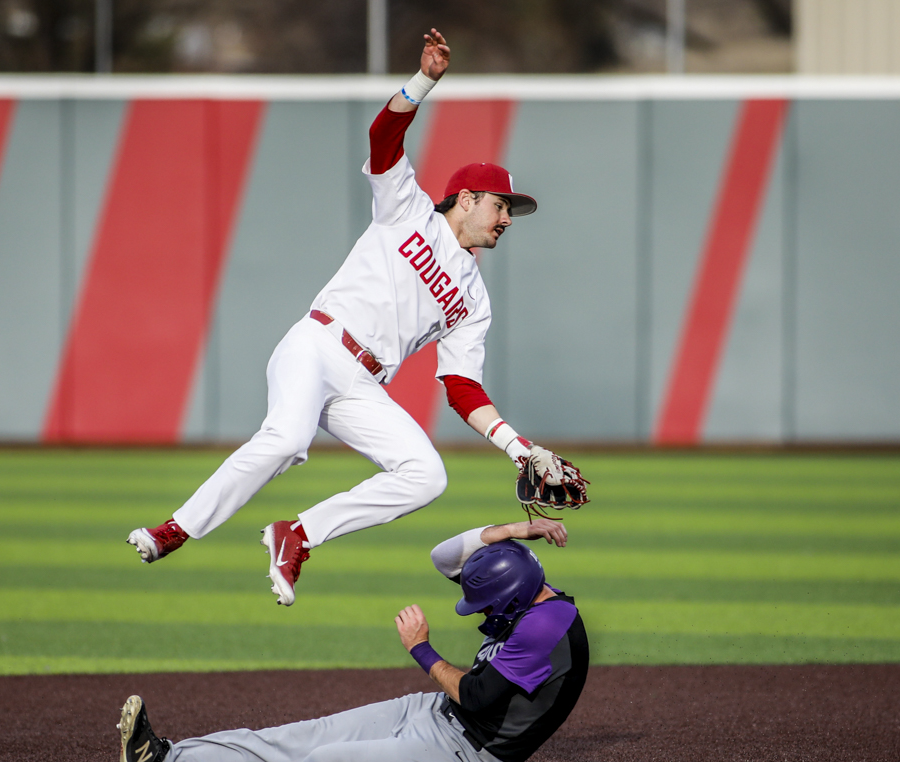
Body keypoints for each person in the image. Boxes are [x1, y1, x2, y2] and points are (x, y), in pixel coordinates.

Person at [126, 28, 584, 607]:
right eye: (501, 206)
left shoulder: (474, 299)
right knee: (288, 438)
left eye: (512, 211)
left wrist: (519, 448)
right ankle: (176, 529)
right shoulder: (408, 209)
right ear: (465, 198)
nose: (508, 220)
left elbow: (462, 387)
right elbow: (383, 135)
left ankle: (298, 534)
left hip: (363, 385)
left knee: (426, 474)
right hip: (317, 345)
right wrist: (424, 82)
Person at [115, 519, 589, 762]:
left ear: (509, 595)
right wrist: (516, 528)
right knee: (301, 736)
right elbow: (445, 557)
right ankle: (161, 761)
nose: (479, 611)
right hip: (432, 712)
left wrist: (421, 648)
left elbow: (479, 695)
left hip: (466, 759)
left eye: (485, 604)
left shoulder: (547, 625)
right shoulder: (524, 586)